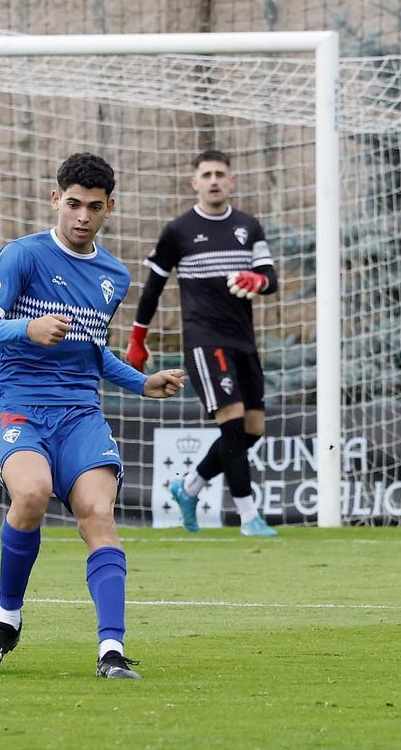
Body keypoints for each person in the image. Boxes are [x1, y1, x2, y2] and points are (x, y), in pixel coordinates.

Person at [0, 152, 185, 679]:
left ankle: (110, 651)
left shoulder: (113, 275)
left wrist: (140, 380)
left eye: (94, 207)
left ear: (110, 209)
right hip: (14, 403)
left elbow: (92, 350)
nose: (82, 216)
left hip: (80, 413)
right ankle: (7, 620)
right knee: (32, 494)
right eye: (73, 204)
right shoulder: (22, 256)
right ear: (55, 199)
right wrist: (26, 329)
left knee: (99, 515)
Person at [125, 150, 279, 537]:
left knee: (252, 430)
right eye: (206, 174)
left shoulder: (248, 226)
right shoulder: (178, 231)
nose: (214, 180)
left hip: (244, 341)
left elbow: (270, 278)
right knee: (232, 423)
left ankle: (189, 485)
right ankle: (249, 517)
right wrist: (137, 340)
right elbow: (152, 290)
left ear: (232, 181)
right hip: (204, 340)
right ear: (194, 183)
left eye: (220, 174)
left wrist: (258, 281)